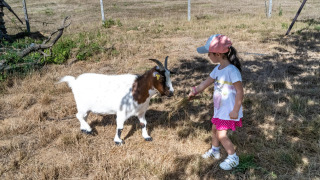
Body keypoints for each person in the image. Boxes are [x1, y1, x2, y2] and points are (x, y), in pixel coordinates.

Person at [188, 34, 244, 170]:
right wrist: (195, 90)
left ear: (218, 54)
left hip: (229, 109)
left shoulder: (232, 71)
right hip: (219, 108)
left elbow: (240, 91)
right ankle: (215, 151)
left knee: (221, 134)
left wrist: (235, 110)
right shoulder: (217, 69)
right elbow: (206, 83)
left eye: (209, 54)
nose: (208, 56)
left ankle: (233, 157)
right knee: (214, 129)